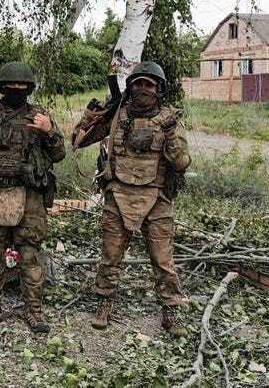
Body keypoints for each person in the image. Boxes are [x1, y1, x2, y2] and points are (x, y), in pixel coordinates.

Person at [71, 61, 191, 337]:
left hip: (157, 197)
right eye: (138, 83)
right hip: (118, 194)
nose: (143, 89)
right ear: (131, 86)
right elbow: (77, 141)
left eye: (149, 84)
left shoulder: (169, 119)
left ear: (158, 89)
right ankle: (104, 303)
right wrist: (92, 115)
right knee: (110, 257)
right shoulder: (117, 116)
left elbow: (182, 163)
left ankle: (170, 311)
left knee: (163, 261)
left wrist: (171, 132)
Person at [0, 61, 65, 332]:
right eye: (11, 86)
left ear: (29, 88)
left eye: (22, 86)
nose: (17, 90)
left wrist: (48, 131)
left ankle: (35, 312)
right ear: (2, 87)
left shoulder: (39, 116)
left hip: (30, 194)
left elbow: (58, 155)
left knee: (29, 254)